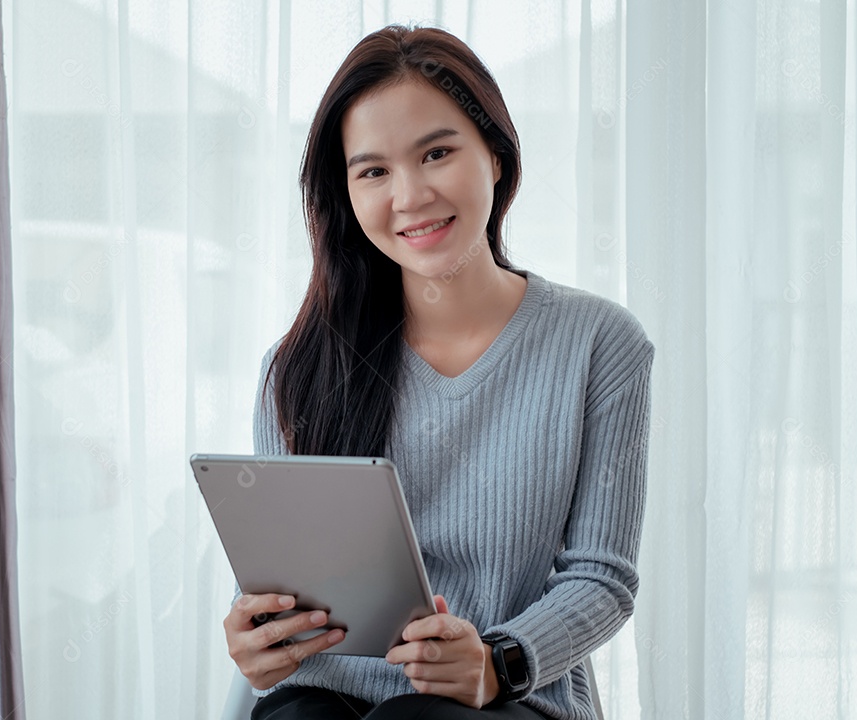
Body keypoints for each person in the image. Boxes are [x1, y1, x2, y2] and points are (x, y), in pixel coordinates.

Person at [222, 24, 654, 720]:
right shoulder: (296, 365)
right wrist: (260, 639)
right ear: (346, 193)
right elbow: (287, 580)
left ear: (496, 154)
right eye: (374, 171)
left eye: (437, 152)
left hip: (511, 698)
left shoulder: (599, 343)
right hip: (327, 697)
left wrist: (496, 661)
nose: (411, 195)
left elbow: (602, 579)